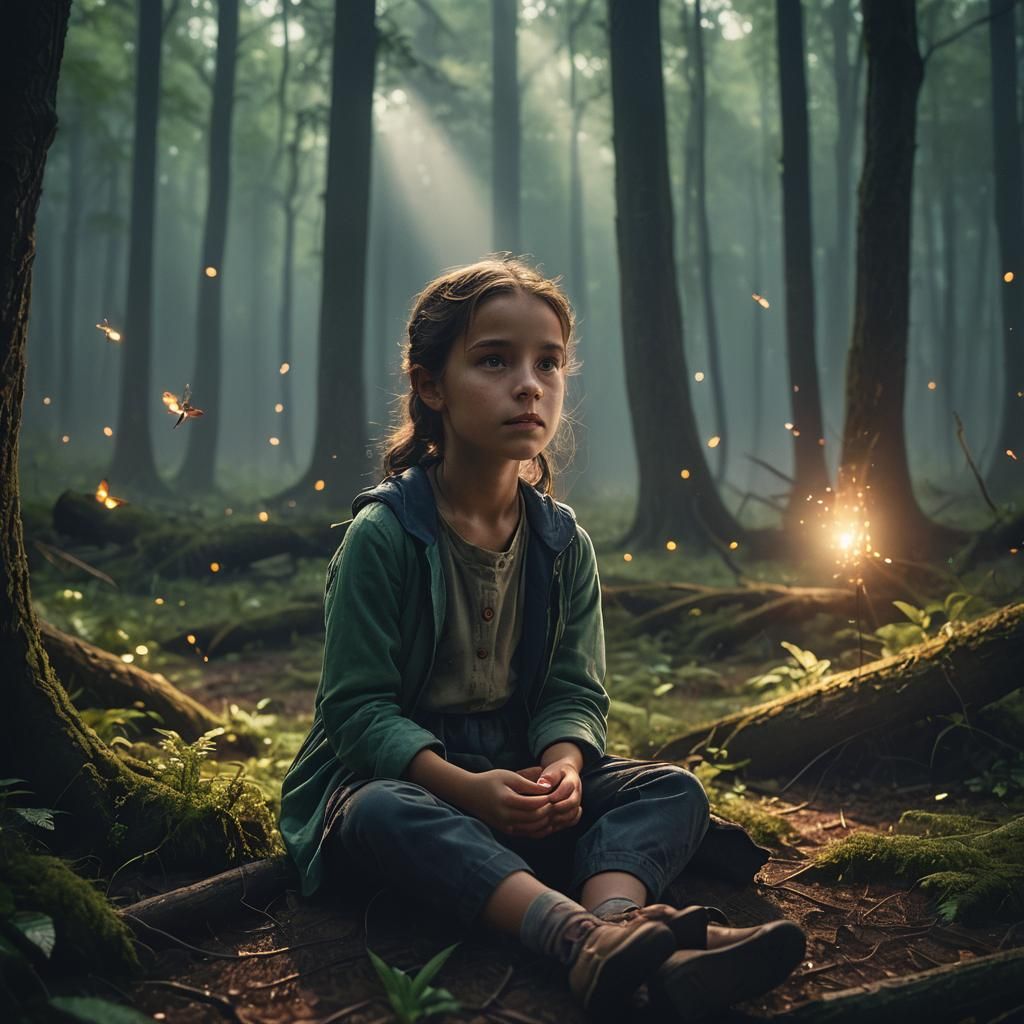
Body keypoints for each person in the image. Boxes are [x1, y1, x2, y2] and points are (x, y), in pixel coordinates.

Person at [279, 256, 805, 1022]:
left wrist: (561, 768)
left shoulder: (563, 544)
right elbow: (357, 713)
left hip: (520, 769)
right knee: (380, 815)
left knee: (672, 789)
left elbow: (572, 691)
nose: (529, 383)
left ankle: (630, 937)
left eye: (548, 363)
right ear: (430, 385)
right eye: (494, 360)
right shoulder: (384, 536)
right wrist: (467, 789)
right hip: (408, 782)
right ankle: (578, 940)